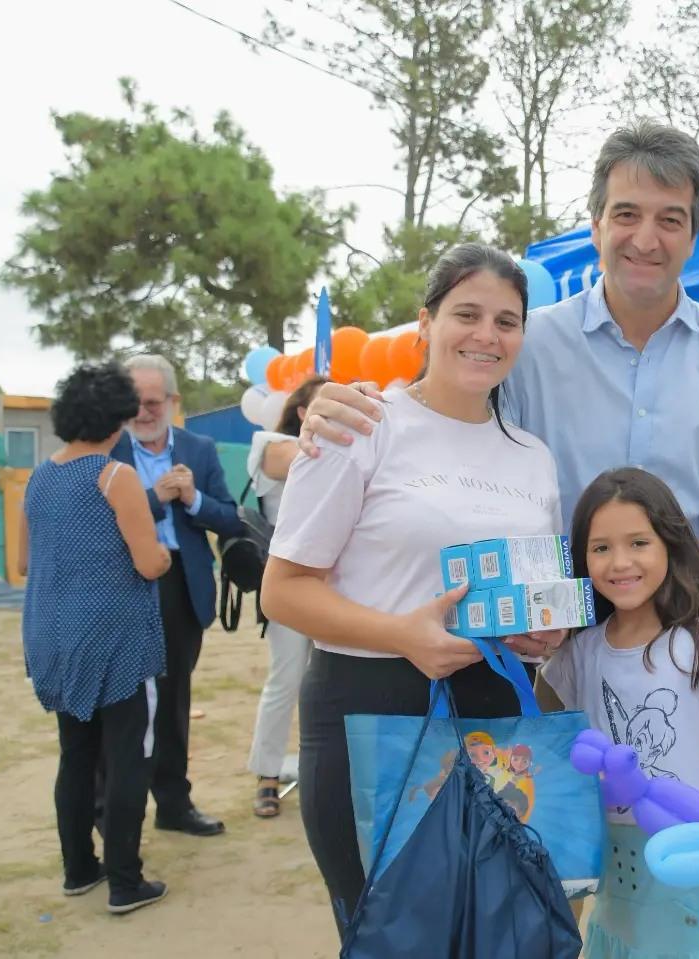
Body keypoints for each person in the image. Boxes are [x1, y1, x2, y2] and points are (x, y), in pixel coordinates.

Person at [298, 120, 699, 717]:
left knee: (688, 809)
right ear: (596, 224)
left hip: (686, 648)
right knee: (559, 806)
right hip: (547, 655)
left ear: (694, 233)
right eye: (627, 214)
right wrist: (342, 408)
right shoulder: (526, 344)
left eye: (670, 219)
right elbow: (444, 422)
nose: (646, 238)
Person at [260, 244, 569, 932]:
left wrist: (545, 632)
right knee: (391, 930)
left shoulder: (533, 455)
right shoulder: (360, 424)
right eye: (467, 313)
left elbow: (536, 588)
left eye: (507, 321)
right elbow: (283, 591)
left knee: (496, 926)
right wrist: (403, 634)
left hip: (494, 711)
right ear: (424, 323)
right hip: (372, 707)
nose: (487, 335)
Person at [542, 467, 699, 958]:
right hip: (619, 865)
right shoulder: (576, 655)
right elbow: (548, 735)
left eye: (638, 543)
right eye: (601, 547)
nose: (620, 562)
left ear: (669, 546)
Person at [20, 362, 171, 914]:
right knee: (129, 756)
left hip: (51, 635)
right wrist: (159, 554)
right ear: (116, 418)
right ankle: (126, 882)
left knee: (76, 756)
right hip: (114, 642)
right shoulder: (114, 476)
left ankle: (79, 869)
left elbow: (22, 562)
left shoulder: (40, 476)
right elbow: (149, 563)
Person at [111, 354, 243, 837]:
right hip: (124, 586)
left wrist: (193, 500)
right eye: (133, 404)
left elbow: (230, 517)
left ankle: (174, 804)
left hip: (181, 587)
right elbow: (97, 518)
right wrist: (154, 498)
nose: (142, 413)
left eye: (151, 402)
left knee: (173, 701)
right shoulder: (106, 448)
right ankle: (112, 815)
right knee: (121, 703)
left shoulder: (199, 449)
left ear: (172, 402)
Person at [245, 375, 328, 818]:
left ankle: (333, 772)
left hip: (340, 585)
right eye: (327, 402)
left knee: (336, 680)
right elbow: (293, 458)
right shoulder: (269, 443)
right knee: (286, 678)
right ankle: (268, 775)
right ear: (302, 411)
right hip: (292, 584)